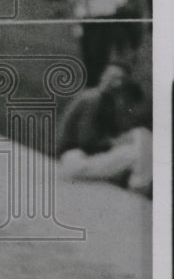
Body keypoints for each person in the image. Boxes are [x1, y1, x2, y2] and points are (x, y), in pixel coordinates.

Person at [57, 63, 152, 197]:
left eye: (117, 78)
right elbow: (86, 140)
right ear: (103, 75)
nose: (111, 80)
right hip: (74, 160)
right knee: (137, 144)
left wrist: (119, 140)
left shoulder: (107, 102)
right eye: (109, 75)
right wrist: (115, 142)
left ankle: (138, 185)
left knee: (139, 140)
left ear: (121, 84)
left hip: (82, 159)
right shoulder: (93, 99)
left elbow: (111, 133)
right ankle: (139, 188)